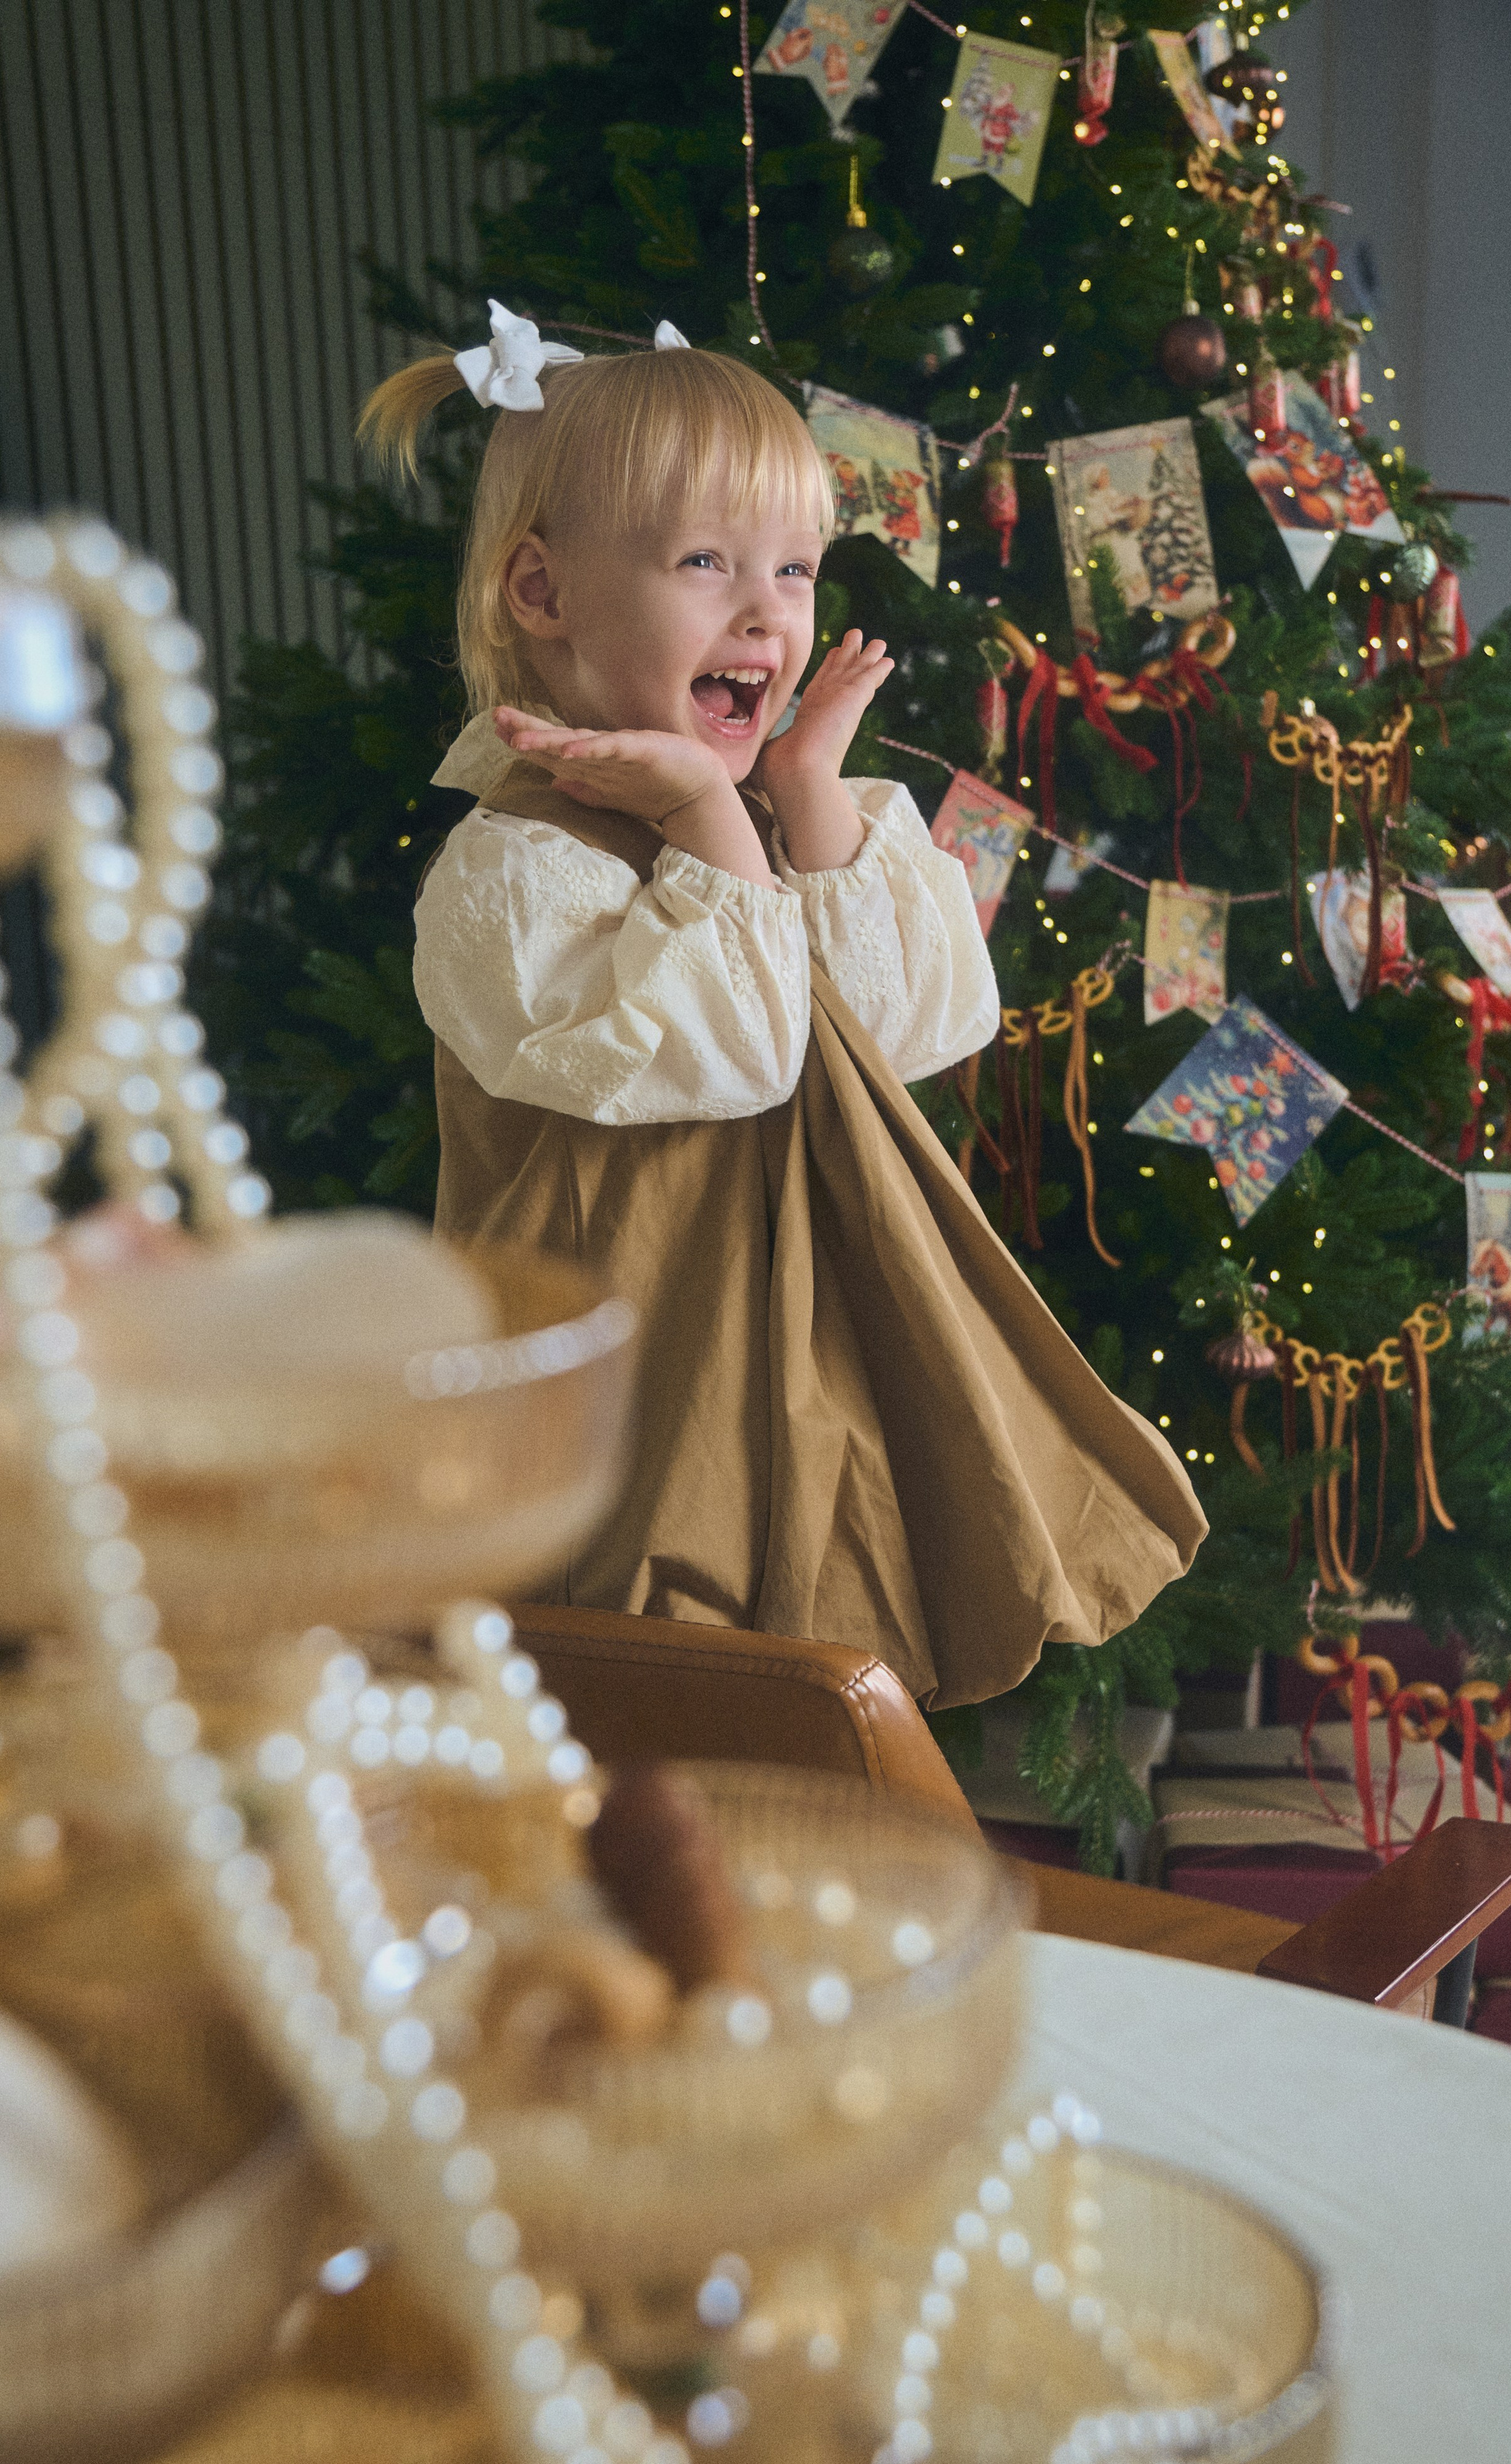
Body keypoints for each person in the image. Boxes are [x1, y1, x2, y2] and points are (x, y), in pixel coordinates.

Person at [362, 304, 1204, 1710]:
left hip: (807, 1368)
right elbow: (747, 1056)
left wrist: (802, 795)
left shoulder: (771, 812)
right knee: (662, 1728)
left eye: (796, 570)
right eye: (704, 563)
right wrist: (703, 813)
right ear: (542, 594)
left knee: (816, 1701)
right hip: (627, 1412)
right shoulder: (512, 869)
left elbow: (913, 1030)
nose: (767, 614)